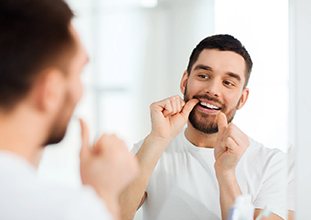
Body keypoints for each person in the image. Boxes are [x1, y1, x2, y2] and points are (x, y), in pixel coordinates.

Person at [120, 34, 288, 220]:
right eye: (203, 75)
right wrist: (157, 139)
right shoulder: (149, 150)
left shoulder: (272, 164)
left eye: (228, 83)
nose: (213, 90)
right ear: (185, 81)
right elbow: (116, 215)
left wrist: (227, 175)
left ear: (242, 98)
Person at [0, 0, 138, 220]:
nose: (80, 90)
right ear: (50, 91)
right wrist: (104, 195)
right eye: (78, 73)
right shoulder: (65, 211)